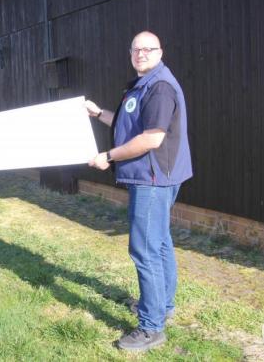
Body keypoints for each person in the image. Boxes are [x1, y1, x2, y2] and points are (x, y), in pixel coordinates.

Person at [86, 31, 193, 352]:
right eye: (136, 49)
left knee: (144, 250)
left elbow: (151, 139)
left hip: (153, 179)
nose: (142, 54)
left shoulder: (159, 88)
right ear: (130, 53)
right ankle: (163, 306)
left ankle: (150, 328)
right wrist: (97, 113)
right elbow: (125, 125)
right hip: (156, 177)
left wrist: (107, 156)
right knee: (159, 243)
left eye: (149, 49)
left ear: (161, 51)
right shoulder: (143, 85)